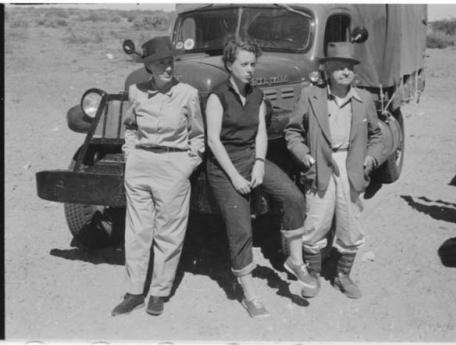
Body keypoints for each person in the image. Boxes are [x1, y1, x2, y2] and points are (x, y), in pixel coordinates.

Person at [205, 40, 316, 318]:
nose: (250, 69)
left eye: (253, 64)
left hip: (251, 158)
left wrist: (257, 165)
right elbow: (213, 141)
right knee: (241, 229)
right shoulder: (217, 97)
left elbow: (261, 135)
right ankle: (250, 295)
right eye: (244, 64)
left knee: (293, 198)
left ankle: (295, 259)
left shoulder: (257, 95)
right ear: (229, 65)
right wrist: (235, 176)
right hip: (224, 166)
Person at [111, 36, 205, 316]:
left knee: (168, 233)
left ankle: (159, 292)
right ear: (148, 66)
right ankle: (134, 291)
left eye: (170, 61)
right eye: (160, 62)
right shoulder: (135, 91)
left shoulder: (187, 93)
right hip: (140, 165)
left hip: (173, 166)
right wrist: (131, 155)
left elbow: (198, 136)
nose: (167, 67)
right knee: (137, 231)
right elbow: (129, 127)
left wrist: (186, 165)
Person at [285, 42, 384, 299]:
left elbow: (376, 136)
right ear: (326, 71)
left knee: (351, 225)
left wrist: (369, 160)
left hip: (351, 167)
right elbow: (293, 131)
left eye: (349, 67)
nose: (345, 72)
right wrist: (304, 156)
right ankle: (314, 275)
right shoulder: (311, 95)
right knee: (316, 222)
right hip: (320, 166)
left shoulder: (364, 100)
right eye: (338, 67)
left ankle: (343, 276)